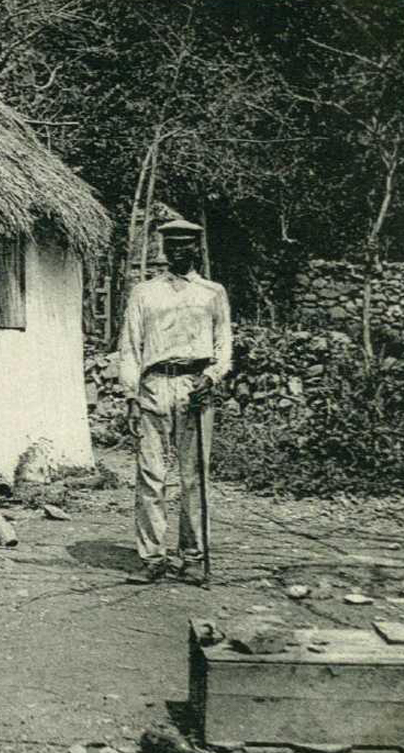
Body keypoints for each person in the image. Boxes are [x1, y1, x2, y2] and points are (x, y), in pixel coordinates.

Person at [118, 219, 232, 584]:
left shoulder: (213, 293)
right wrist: (131, 396)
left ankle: (193, 555)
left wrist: (211, 377)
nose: (179, 251)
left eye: (186, 245)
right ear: (163, 249)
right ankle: (152, 557)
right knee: (150, 475)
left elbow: (224, 347)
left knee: (193, 478)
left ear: (197, 248)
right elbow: (130, 347)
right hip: (154, 384)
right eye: (172, 245)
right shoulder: (144, 293)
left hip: (195, 388)